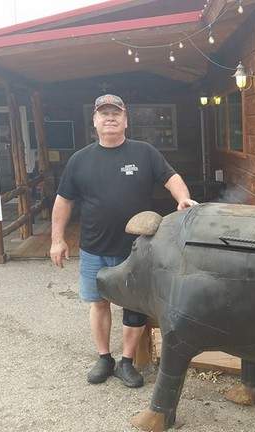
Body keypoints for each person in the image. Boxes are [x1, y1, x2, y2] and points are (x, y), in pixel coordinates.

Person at [50, 94, 197, 387]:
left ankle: (127, 362)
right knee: (99, 302)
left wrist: (183, 198)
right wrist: (57, 239)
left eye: (115, 113)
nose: (110, 118)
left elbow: (172, 177)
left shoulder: (144, 153)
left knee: (135, 307)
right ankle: (104, 358)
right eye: (103, 114)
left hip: (136, 249)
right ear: (94, 122)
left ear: (126, 120)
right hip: (94, 248)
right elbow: (63, 201)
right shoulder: (80, 160)